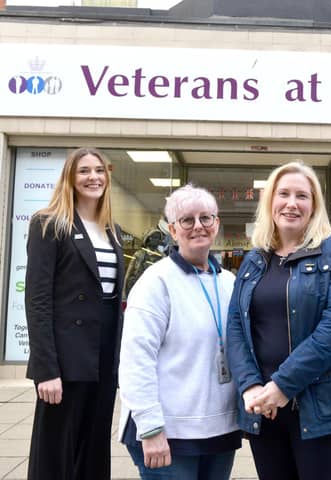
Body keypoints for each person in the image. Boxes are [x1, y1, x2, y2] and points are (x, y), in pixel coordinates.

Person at [226, 161, 331, 480]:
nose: (292, 203)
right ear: (271, 202)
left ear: (314, 206)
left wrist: (283, 385)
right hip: (265, 408)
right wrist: (250, 386)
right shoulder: (255, 259)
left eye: (302, 196)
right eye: (283, 194)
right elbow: (237, 327)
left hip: (325, 408)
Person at [118, 184, 241, 480]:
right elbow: (136, 361)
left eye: (206, 218)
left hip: (220, 429)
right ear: (173, 230)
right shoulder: (156, 282)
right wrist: (150, 428)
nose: (198, 226)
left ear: (216, 224)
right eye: (187, 220)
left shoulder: (229, 282)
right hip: (167, 432)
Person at [25, 147, 124, 480]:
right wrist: (45, 369)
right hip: (65, 364)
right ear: (69, 177)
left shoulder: (113, 231)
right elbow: (38, 300)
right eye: (84, 171)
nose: (93, 177)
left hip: (103, 360)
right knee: (55, 457)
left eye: (99, 170)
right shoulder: (48, 223)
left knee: (94, 452)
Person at [123, 227, 166, 298]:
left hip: (155, 291)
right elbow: (128, 273)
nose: (157, 240)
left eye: (158, 238)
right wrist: (124, 291)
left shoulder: (162, 257)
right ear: (148, 238)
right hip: (138, 289)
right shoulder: (139, 254)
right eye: (154, 237)